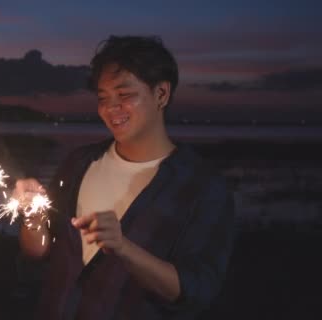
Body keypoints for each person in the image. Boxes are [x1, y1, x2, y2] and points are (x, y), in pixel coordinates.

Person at [17, 35, 235, 319]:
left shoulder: (202, 187)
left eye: (125, 95)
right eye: (103, 98)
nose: (111, 108)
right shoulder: (79, 163)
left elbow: (195, 290)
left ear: (161, 94)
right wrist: (32, 218)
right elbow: (39, 253)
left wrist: (123, 248)